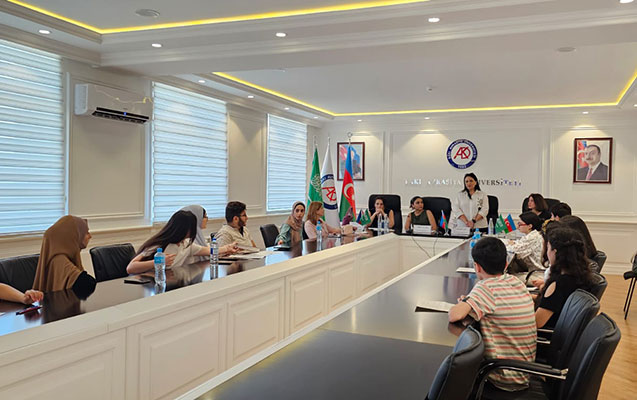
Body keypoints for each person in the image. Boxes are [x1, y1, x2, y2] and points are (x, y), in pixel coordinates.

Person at [448, 237, 536, 392]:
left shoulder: (485, 288)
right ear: (506, 263)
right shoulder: (516, 282)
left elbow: (454, 315)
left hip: (502, 378)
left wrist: (466, 302)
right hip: (524, 371)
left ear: (477, 267)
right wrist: (471, 303)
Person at [127, 210, 237, 274]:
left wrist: (227, 248)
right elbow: (131, 268)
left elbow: (208, 250)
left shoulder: (186, 244)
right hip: (151, 284)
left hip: (170, 282)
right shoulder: (160, 244)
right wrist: (157, 261)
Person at [535, 227, 596, 329]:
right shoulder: (582, 276)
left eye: (548, 248)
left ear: (555, 252)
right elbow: (550, 302)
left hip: (545, 334)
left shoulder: (558, 285)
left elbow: (537, 322)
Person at [33, 215, 96, 293]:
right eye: (86, 233)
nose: (90, 236)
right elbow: (87, 284)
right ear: (74, 235)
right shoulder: (59, 260)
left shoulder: (66, 256)